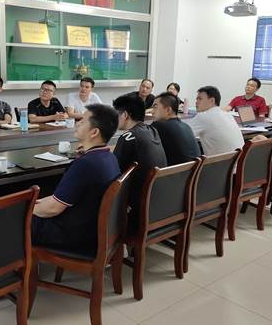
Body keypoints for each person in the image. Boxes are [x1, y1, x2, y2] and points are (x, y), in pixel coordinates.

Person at [32, 104, 120, 253]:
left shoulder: (86, 163)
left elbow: (53, 208)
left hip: (74, 235)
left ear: (94, 132)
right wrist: (38, 203)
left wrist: (27, 210)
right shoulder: (109, 157)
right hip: (94, 229)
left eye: (82, 121)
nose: (77, 123)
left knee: (14, 219)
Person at [112, 93, 167, 230]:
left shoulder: (128, 137)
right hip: (158, 201)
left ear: (125, 115)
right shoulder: (152, 130)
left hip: (137, 207)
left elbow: (113, 172)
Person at [187, 86, 244, 155]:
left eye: (200, 99)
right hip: (238, 160)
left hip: (219, 161)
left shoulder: (204, 116)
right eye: (196, 99)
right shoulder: (228, 115)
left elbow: (182, 135)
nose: (196, 102)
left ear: (212, 100)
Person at [151, 92, 200, 165]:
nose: (152, 111)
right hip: (191, 171)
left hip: (172, 171)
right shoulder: (186, 126)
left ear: (168, 110)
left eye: (155, 107)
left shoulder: (159, 125)